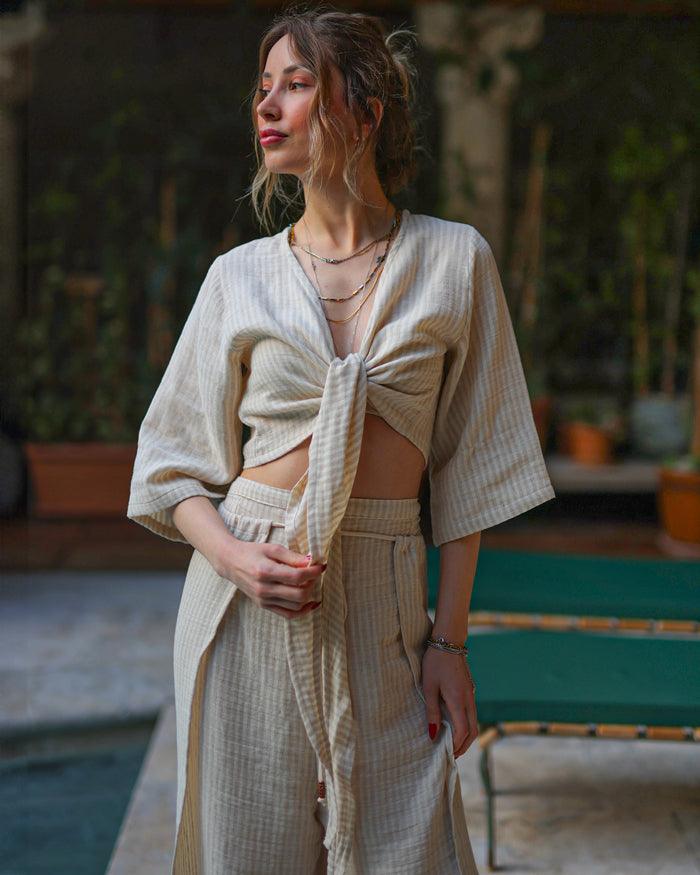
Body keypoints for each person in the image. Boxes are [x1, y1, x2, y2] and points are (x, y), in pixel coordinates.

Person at [127, 6, 556, 874]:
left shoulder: (455, 260)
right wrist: (236, 559)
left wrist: (449, 642)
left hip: (386, 588)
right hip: (248, 594)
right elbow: (168, 468)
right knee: (248, 848)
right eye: (263, 87)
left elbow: (471, 470)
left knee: (404, 844)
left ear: (363, 112)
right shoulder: (237, 276)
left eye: (296, 84)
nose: (267, 105)